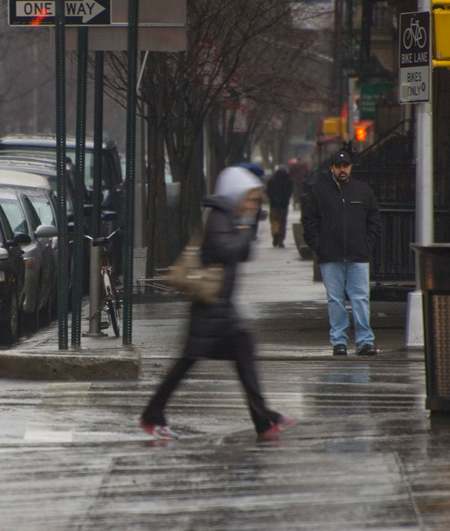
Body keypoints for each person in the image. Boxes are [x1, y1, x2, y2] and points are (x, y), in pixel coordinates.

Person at [140, 166, 296, 441]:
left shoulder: (233, 217)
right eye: (249, 198)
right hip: (210, 304)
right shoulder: (220, 217)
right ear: (235, 194)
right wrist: (245, 228)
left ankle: (264, 420)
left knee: (239, 358)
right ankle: (152, 414)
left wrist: (247, 225)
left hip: (222, 306)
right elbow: (224, 250)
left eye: (255, 200)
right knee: (187, 363)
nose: (253, 204)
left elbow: (244, 254)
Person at [300, 149, 381, 357]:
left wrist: (366, 243)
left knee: (360, 298)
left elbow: (374, 220)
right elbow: (309, 223)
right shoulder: (319, 192)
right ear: (332, 168)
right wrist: (320, 246)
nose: (342, 170)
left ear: (351, 167)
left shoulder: (363, 191)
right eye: (338, 166)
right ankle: (339, 342)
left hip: (358, 255)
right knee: (335, 300)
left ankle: (365, 342)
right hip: (331, 256)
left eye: (345, 166)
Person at [265, 166, 294, 248]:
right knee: (282, 222)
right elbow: (289, 193)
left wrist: (273, 199)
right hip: (284, 205)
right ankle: (281, 241)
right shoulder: (289, 181)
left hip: (273, 205)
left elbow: (269, 192)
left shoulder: (272, 180)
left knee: (274, 221)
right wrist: (284, 200)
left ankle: (275, 233)